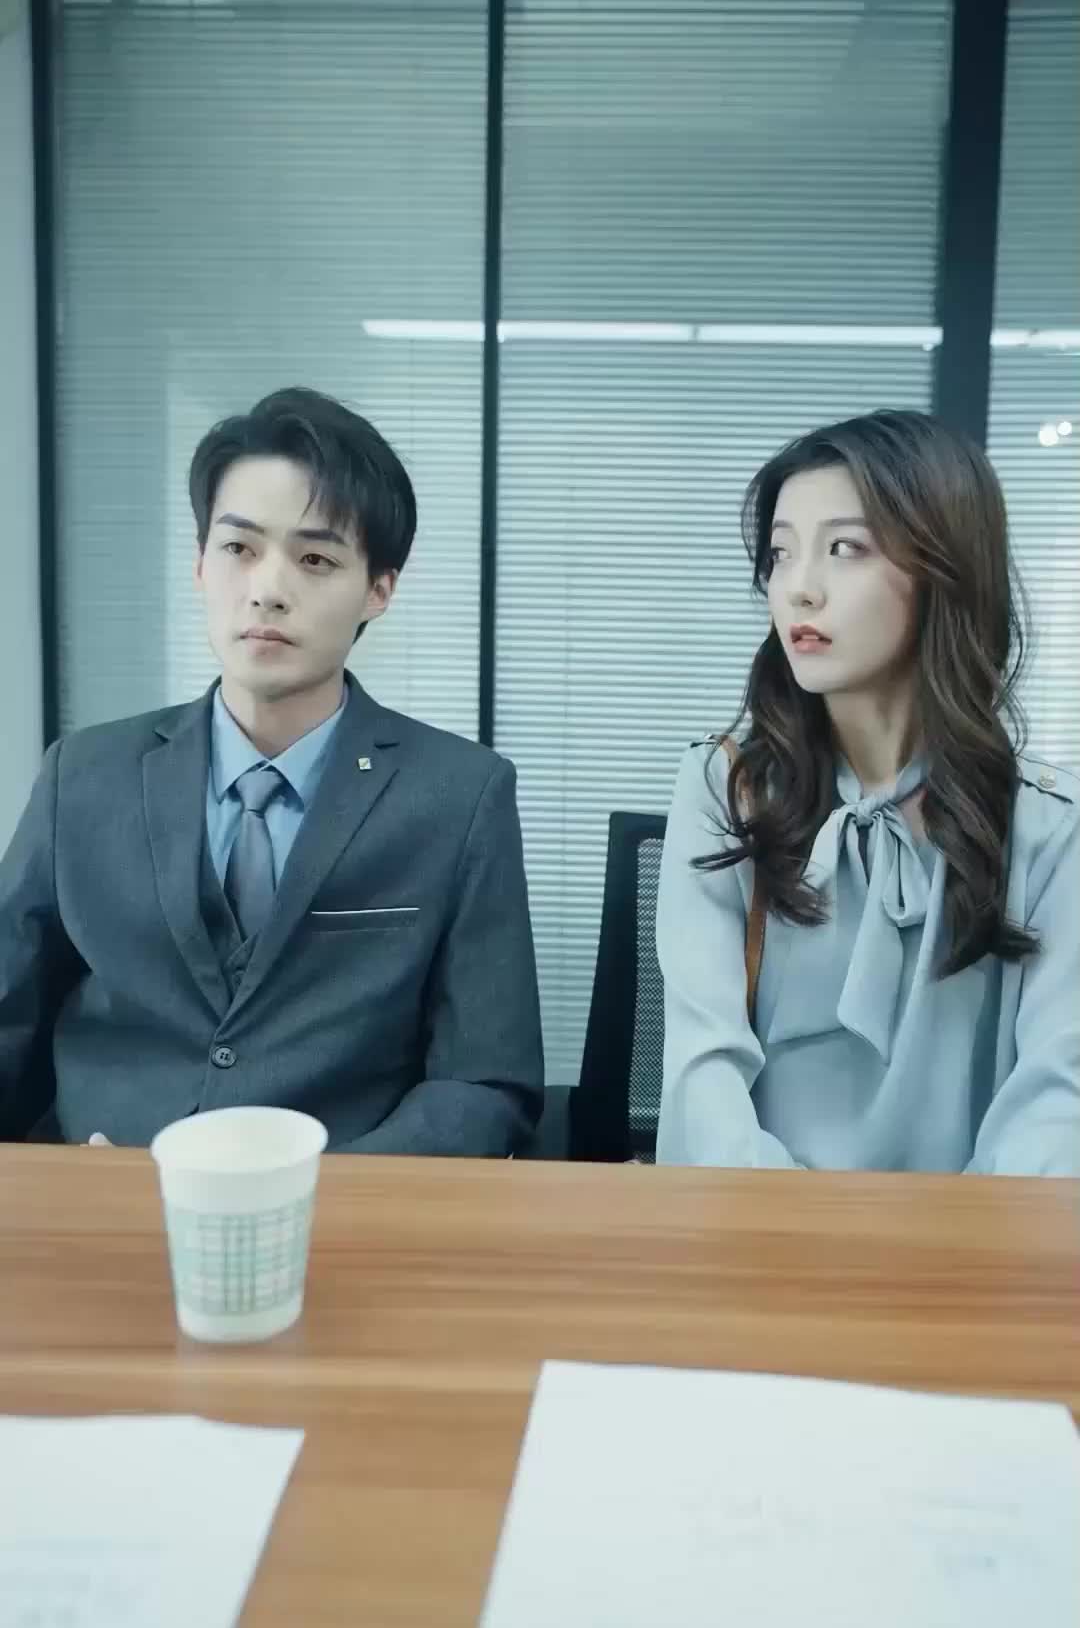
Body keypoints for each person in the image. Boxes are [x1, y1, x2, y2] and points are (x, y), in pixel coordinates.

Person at [0, 388, 543, 1154]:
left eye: (315, 559)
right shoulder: (83, 778)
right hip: (104, 1187)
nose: (267, 589)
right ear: (199, 564)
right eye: (239, 549)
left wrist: (317, 1190)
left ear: (379, 589)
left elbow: (484, 1082)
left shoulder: (461, 795)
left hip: (343, 1204)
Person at [656, 409, 1080, 1175]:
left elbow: (1056, 1109)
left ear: (944, 568)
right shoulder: (727, 789)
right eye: (780, 554)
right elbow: (703, 1081)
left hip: (980, 1238)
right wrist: (791, 1235)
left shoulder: (1051, 828)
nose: (799, 590)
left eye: (844, 549)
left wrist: (962, 1244)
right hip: (756, 1226)